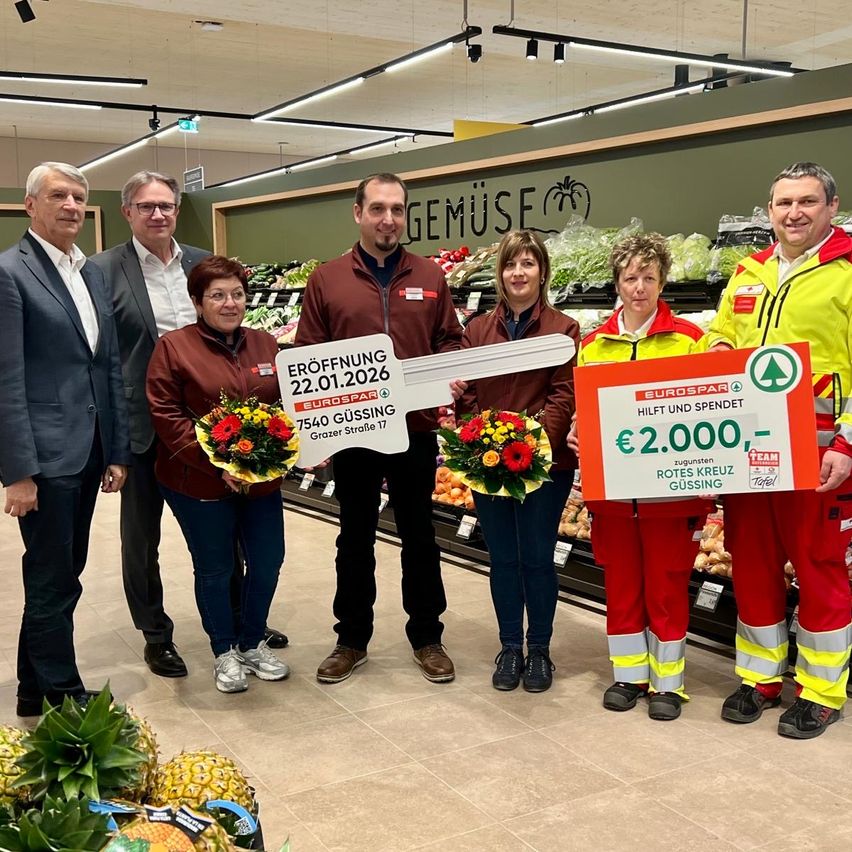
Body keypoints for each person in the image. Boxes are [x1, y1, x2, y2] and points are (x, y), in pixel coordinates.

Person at [90, 171, 286, 679]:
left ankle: (244, 625)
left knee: (233, 537)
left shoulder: (201, 264)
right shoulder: (101, 270)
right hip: (142, 427)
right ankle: (156, 633)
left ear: (177, 210)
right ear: (127, 211)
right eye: (146, 205)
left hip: (227, 430)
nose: (158, 214)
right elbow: (100, 357)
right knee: (142, 540)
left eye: (166, 205)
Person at [296, 172, 464, 684]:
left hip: (415, 431)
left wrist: (450, 375)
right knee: (355, 537)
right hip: (354, 431)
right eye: (377, 209)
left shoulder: (432, 277)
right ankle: (350, 639)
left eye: (397, 209)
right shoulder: (328, 279)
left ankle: (428, 637)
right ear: (358, 213)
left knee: (420, 536)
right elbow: (307, 353)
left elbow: (450, 341)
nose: (388, 219)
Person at [707, 162, 852, 739]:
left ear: (831, 207)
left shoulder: (847, 273)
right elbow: (721, 337)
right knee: (754, 564)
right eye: (783, 202)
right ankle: (760, 679)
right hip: (749, 450)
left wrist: (846, 442)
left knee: (820, 570)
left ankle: (820, 691)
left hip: (820, 456)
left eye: (807, 202)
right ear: (768, 210)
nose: (794, 212)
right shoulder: (748, 273)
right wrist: (719, 349)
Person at [0, 162, 131, 717]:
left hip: (90, 445)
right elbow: (5, 377)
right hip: (46, 456)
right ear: (31, 205)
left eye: (79, 197)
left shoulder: (90, 272)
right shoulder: (10, 272)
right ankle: (63, 692)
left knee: (61, 572)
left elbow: (108, 365)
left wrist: (118, 449)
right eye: (59, 196)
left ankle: (32, 689)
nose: (72, 206)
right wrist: (17, 471)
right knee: (54, 578)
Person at [569, 233, 713, 720]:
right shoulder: (593, 345)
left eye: (649, 278)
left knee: (668, 584)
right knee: (623, 584)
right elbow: (584, 413)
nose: (639, 288)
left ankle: (668, 685)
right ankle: (628, 675)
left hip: (670, 495)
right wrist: (576, 432)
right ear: (617, 282)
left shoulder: (691, 340)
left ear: (662, 281)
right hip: (613, 494)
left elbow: (707, 414)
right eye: (630, 277)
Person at [146, 255, 288, 694]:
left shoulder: (266, 344)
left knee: (267, 560)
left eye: (238, 294)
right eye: (218, 295)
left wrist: (298, 446)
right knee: (215, 567)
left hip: (261, 481)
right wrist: (219, 465)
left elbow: (287, 405)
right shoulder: (174, 346)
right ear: (197, 301)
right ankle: (224, 650)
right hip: (198, 482)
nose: (230, 303)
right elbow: (166, 414)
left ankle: (251, 641)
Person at [457, 230, 579, 692]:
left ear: (542, 272)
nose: (518, 273)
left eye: (528, 264)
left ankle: (541, 650)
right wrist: (480, 438)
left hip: (545, 467)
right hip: (487, 462)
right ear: (501, 273)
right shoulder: (477, 330)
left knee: (537, 559)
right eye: (511, 265)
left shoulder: (563, 328)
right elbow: (467, 390)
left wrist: (533, 449)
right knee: (504, 559)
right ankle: (510, 647)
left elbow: (563, 395)